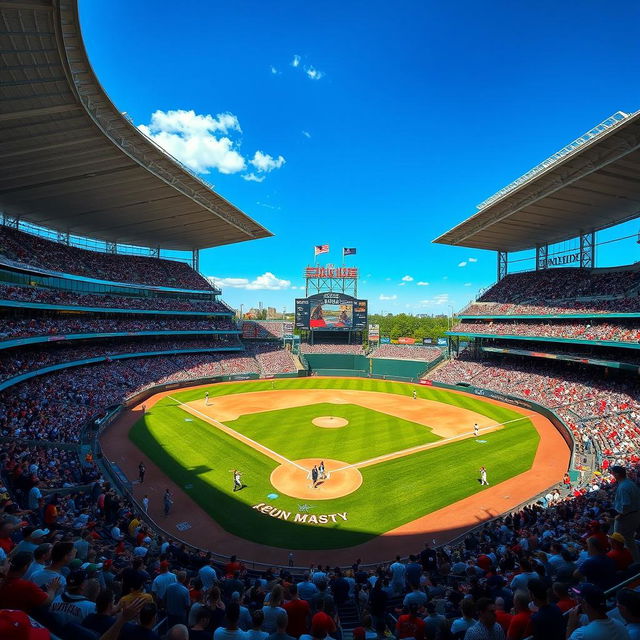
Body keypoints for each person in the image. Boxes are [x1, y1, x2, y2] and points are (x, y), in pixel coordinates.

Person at [610, 466, 640, 563]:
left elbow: (626, 504)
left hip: (627, 517)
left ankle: (623, 562)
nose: (612, 475)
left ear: (617, 474)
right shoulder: (629, 482)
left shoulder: (623, 487)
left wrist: (620, 515)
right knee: (629, 540)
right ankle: (635, 561)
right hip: (634, 514)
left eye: (613, 473)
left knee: (618, 539)